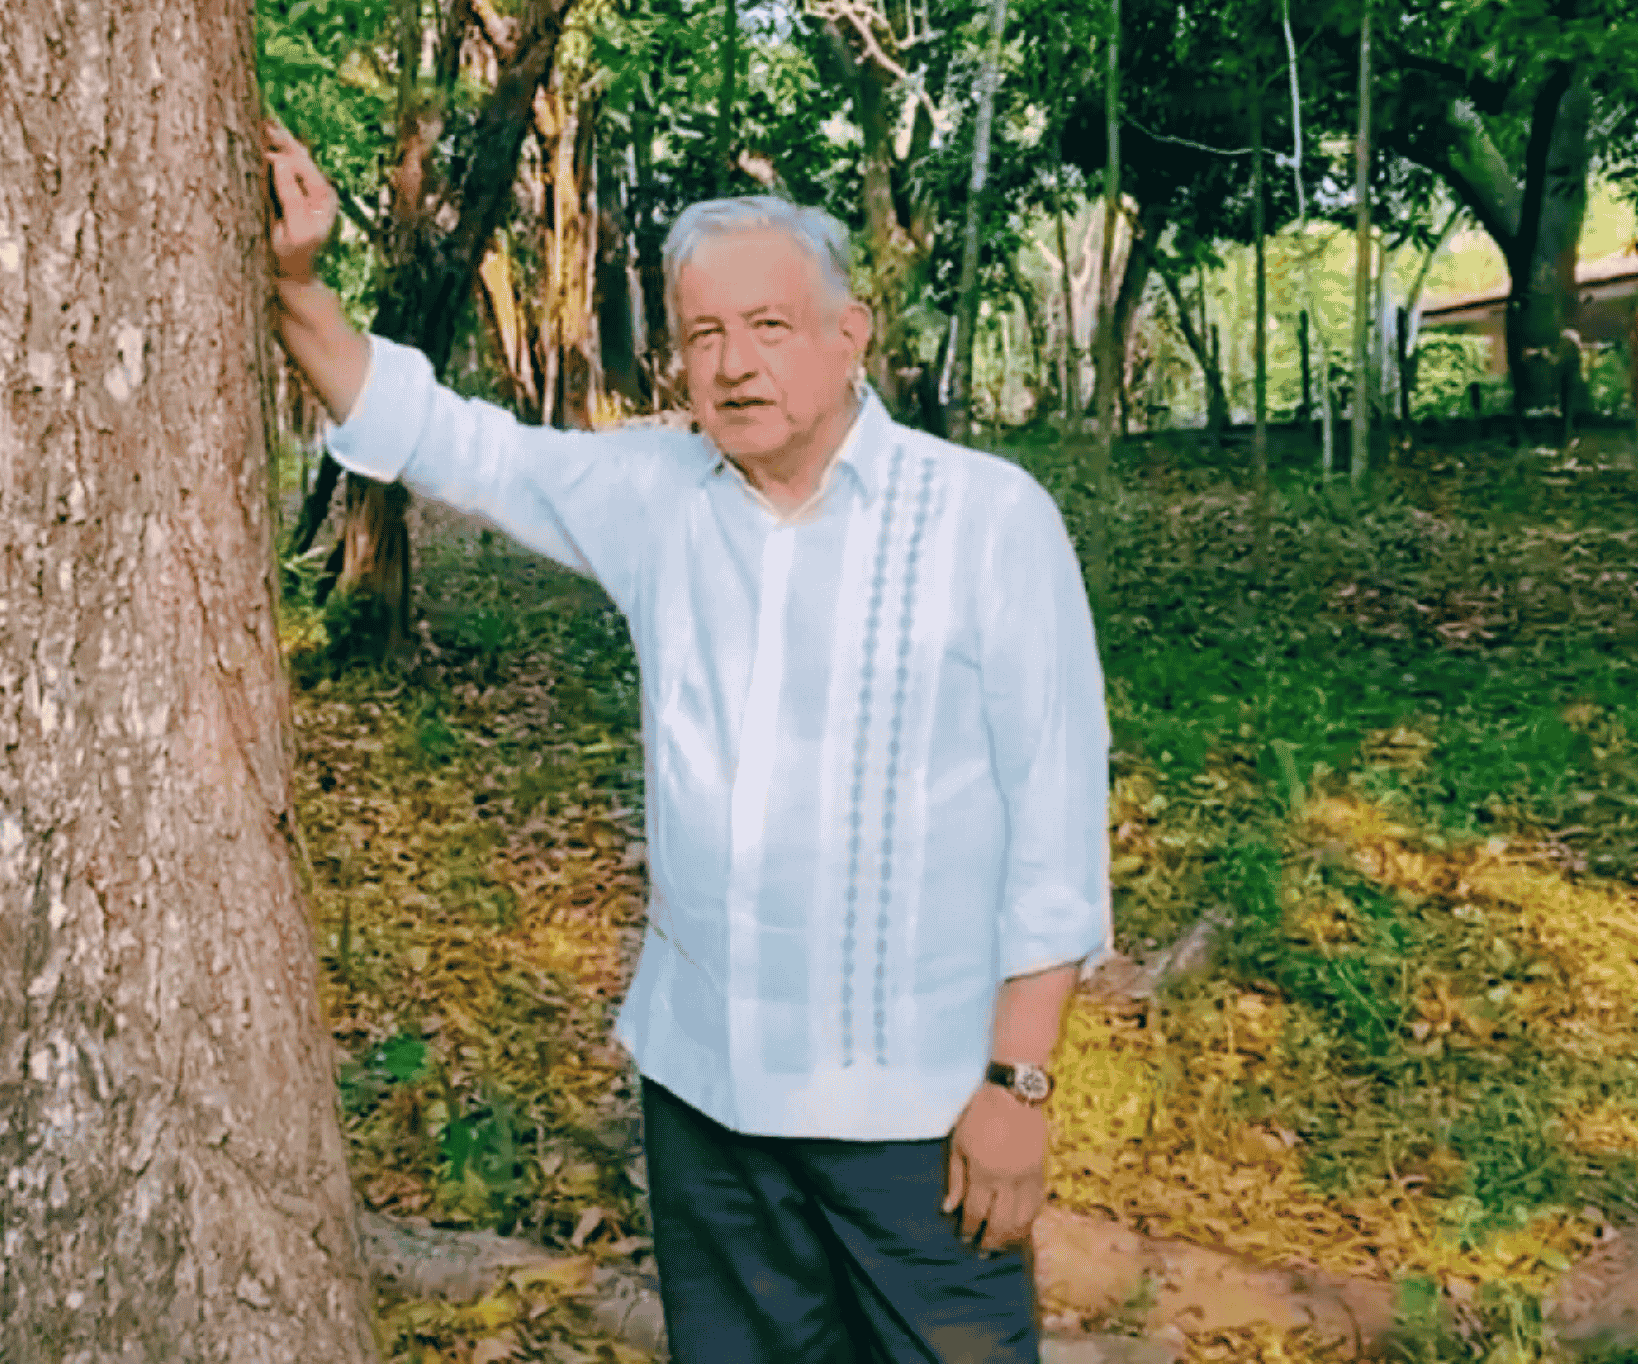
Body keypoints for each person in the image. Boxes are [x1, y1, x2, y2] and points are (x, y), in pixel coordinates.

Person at [264, 123, 1112, 1364]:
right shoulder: (658, 496)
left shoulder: (986, 519)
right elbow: (452, 439)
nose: (733, 364)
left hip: (918, 1122)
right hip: (706, 1105)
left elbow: (1053, 826)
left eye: (769, 326)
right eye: (704, 334)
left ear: (848, 333)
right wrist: (296, 287)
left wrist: (1017, 1086)